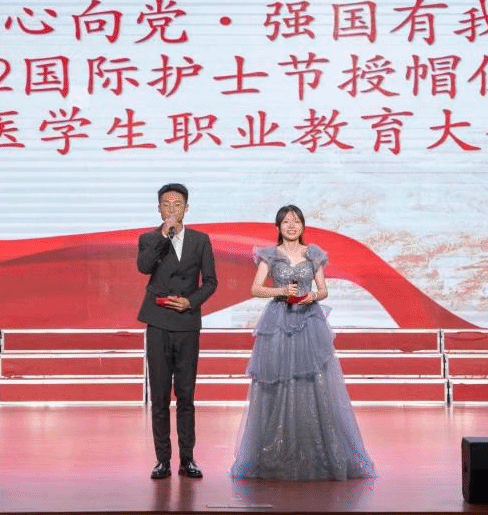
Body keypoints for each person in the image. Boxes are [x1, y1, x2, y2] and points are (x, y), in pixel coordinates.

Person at [229, 204, 376, 481]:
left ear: (303, 226)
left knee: (315, 382)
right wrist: (281, 291)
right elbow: (256, 288)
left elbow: (323, 290)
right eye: (286, 222)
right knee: (279, 381)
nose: (292, 225)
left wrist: (312, 296)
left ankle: (317, 452)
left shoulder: (313, 254)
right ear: (278, 227)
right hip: (279, 320)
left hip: (309, 321)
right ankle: (274, 453)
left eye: (296, 221)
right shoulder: (269, 255)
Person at [136, 182, 217, 480]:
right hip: (158, 323)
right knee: (159, 396)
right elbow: (144, 267)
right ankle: (162, 460)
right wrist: (163, 235)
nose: (172, 209)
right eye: (166, 205)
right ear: (159, 209)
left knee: (185, 395)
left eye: (177, 205)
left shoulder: (200, 240)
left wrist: (190, 302)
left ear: (187, 208)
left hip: (187, 323)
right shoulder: (149, 239)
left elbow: (210, 281)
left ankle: (187, 458)